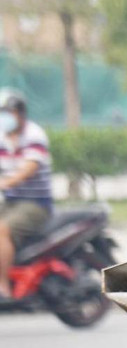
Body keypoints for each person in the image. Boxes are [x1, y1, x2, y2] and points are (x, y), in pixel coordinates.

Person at [0, 90, 53, 299]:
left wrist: (6, 182)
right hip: (11, 201)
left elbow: (28, 168)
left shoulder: (34, 135)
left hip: (35, 204)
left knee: (2, 230)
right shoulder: (2, 137)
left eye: (7, 112)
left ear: (20, 113)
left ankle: (2, 285)